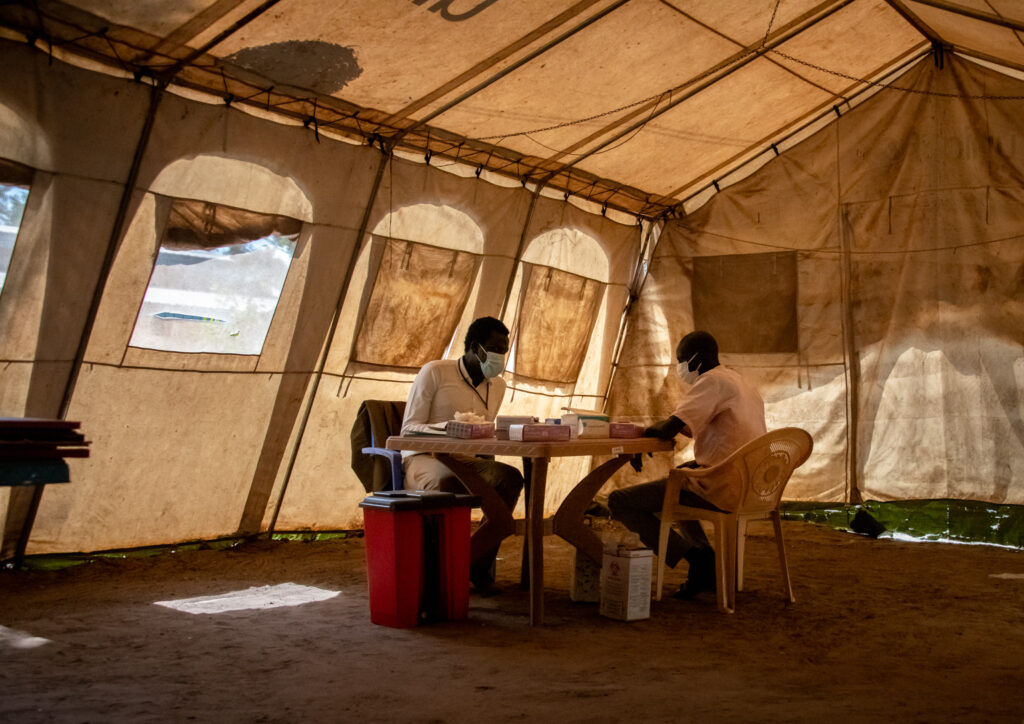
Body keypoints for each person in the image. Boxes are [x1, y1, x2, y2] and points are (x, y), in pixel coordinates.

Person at [607, 330, 767, 598]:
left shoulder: (711, 381)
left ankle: (698, 560)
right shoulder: (742, 384)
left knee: (619, 501)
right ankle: (703, 561)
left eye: (681, 361)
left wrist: (642, 433)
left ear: (697, 359)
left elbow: (671, 428)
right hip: (752, 487)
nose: (680, 368)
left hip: (723, 487)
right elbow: (712, 435)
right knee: (679, 479)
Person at [401, 316, 524, 593]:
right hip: (425, 456)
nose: (499, 356)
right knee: (446, 482)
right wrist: (450, 428)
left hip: (465, 460)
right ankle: (442, 571)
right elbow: (409, 429)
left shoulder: (498, 385)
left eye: (504, 351)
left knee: (511, 478)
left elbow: (483, 432)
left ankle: (474, 564)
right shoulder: (435, 372)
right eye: (494, 349)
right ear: (474, 347)